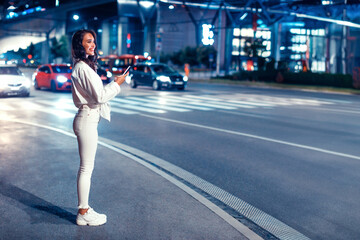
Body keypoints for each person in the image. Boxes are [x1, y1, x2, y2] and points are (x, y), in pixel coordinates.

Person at [70, 29, 128, 226]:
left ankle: (84, 210)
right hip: (86, 118)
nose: (93, 44)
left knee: (86, 168)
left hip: (88, 118)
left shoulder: (85, 66)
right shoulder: (82, 68)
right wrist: (117, 84)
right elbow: (100, 97)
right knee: (86, 168)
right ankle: (83, 212)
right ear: (80, 45)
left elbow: (97, 94)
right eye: (88, 41)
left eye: (93, 41)